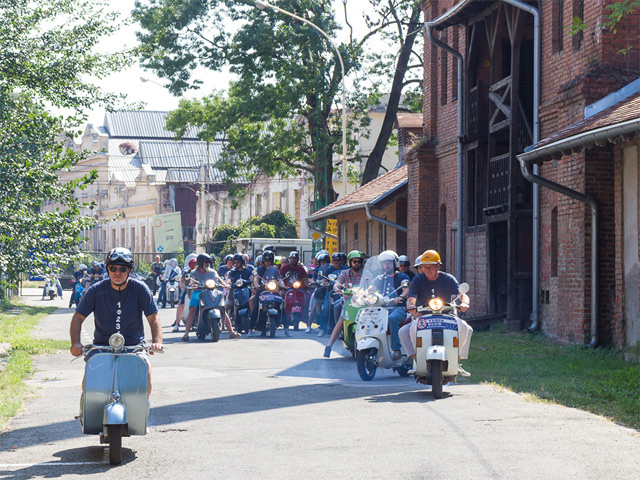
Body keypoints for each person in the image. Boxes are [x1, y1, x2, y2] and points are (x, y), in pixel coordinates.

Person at [69, 247, 163, 394]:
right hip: (101, 347)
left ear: (129, 271)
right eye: (113, 268)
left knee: (147, 373)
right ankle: (88, 412)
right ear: (107, 269)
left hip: (134, 346)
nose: (117, 273)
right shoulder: (96, 290)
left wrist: (157, 341)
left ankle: (141, 412)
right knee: (89, 381)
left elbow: (153, 317)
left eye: (122, 269)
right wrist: (75, 342)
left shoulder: (140, 289)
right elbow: (77, 317)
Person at [399, 249, 472, 376]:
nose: (426, 270)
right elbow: (411, 299)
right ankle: (417, 362)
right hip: (424, 316)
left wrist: (464, 303)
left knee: (465, 328)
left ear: (438, 266)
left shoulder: (448, 278)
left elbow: (462, 295)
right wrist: (412, 308)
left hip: (447, 315)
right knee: (404, 331)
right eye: (424, 267)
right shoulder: (417, 280)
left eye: (430, 267)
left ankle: (457, 361)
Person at [182, 253, 241, 341]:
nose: (208, 264)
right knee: (192, 309)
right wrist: (193, 285)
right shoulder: (194, 272)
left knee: (222, 308)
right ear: (201, 262)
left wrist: (225, 284)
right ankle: (186, 333)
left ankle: (231, 332)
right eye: (206, 262)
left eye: (209, 262)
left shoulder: (212, 271)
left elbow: (219, 280)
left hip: (211, 291)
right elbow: (192, 281)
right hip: (198, 292)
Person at [323, 250, 364, 357]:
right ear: (350, 262)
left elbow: (372, 284)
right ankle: (329, 346)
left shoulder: (365, 273)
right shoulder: (344, 273)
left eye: (359, 262)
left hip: (363, 303)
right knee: (341, 320)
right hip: (348, 302)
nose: (357, 264)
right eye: (354, 261)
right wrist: (337, 288)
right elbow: (337, 284)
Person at [371, 250, 410, 360]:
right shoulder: (379, 278)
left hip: (398, 308)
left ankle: (396, 349)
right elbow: (371, 288)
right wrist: (366, 294)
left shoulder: (402, 277)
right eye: (384, 263)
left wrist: (401, 297)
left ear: (395, 263)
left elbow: (406, 289)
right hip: (382, 308)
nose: (386, 265)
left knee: (392, 319)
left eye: (389, 263)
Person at [248, 250, 281, 336]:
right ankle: (250, 329)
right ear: (263, 261)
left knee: (281, 304)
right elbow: (256, 278)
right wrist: (257, 285)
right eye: (265, 260)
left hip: (272, 291)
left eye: (269, 260)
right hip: (262, 291)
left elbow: (280, 280)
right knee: (255, 308)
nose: (267, 262)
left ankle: (285, 327)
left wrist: (283, 285)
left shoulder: (275, 270)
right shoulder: (258, 270)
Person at [280, 251, 308, 335]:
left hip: (299, 288)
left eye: (295, 258)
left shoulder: (301, 269)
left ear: (297, 259)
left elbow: (304, 279)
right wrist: (282, 286)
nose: (293, 260)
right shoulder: (285, 268)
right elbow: (280, 278)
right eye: (291, 258)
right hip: (287, 288)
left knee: (308, 296)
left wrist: (307, 285)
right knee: (281, 295)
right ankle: (281, 311)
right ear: (289, 259)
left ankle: (306, 315)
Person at [225, 253, 253, 330]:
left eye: (238, 262)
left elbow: (251, 279)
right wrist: (228, 283)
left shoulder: (248, 271)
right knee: (227, 306)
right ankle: (224, 323)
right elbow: (228, 279)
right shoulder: (232, 271)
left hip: (246, 290)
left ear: (242, 262)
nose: (236, 264)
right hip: (234, 290)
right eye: (235, 262)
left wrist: (247, 281)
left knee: (252, 301)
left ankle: (253, 317)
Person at [173, 256, 198, 332]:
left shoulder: (200, 271)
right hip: (188, 291)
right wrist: (182, 285)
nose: (197, 265)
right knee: (181, 305)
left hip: (199, 290)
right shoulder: (187, 272)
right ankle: (177, 324)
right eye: (195, 264)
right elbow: (182, 281)